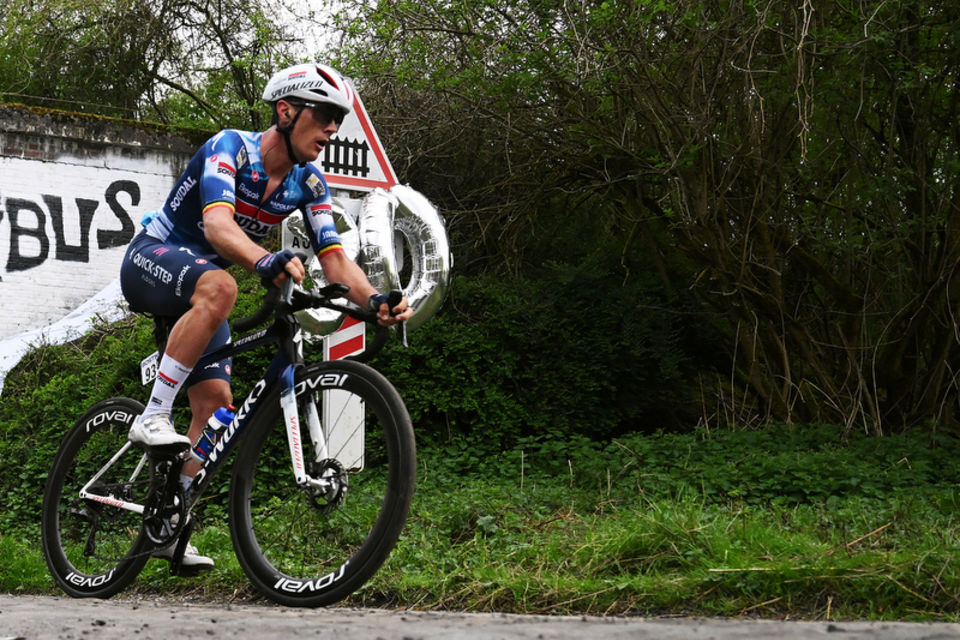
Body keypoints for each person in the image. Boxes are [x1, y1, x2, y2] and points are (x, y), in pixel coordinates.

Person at [119, 63, 412, 573]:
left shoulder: (308, 183)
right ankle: (152, 416)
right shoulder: (230, 148)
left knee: (215, 406)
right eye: (324, 116)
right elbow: (216, 225)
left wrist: (374, 302)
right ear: (286, 111)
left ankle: (165, 522)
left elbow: (337, 259)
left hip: (205, 291)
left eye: (337, 120)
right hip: (154, 258)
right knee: (222, 283)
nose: (331, 130)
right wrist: (264, 259)